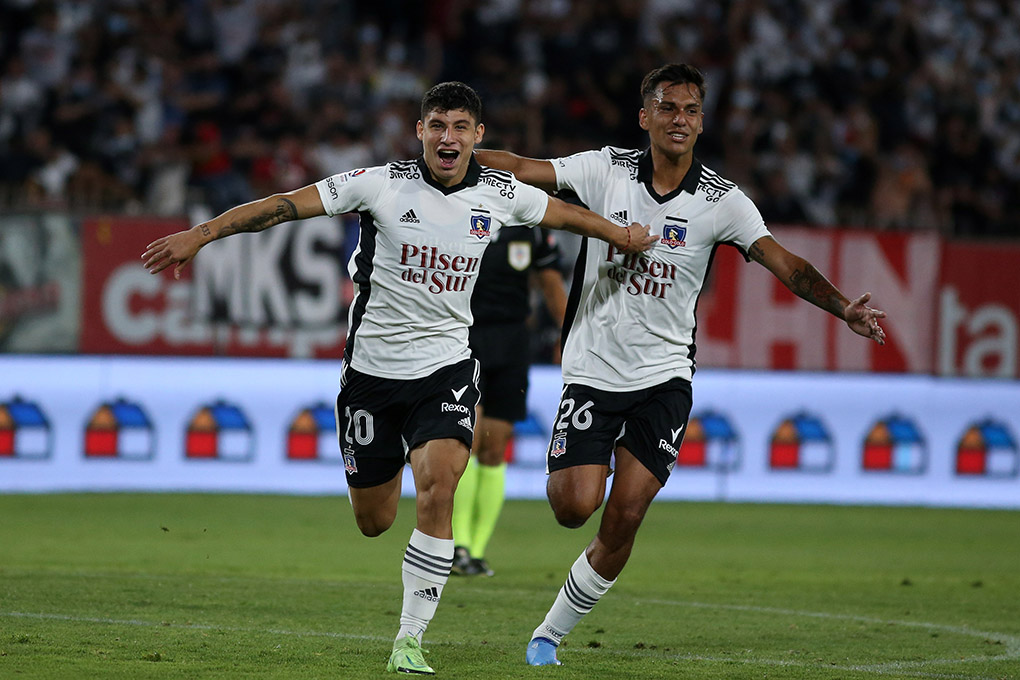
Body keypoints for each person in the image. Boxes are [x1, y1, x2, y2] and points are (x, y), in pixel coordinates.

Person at [141, 81, 656, 676]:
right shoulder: (379, 184)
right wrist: (201, 234)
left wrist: (621, 235)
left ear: (477, 136)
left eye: (459, 127)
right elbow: (283, 204)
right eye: (437, 125)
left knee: (440, 486)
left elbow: (564, 215)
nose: (448, 137)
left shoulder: (500, 193)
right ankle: (392, 531)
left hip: (446, 369)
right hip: (371, 376)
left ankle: (409, 639)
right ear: (420, 131)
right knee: (375, 520)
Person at [475, 63, 888, 666]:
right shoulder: (605, 170)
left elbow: (785, 264)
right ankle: (591, 466)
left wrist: (842, 307)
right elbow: (520, 167)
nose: (680, 120)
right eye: (668, 108)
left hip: (665, 377)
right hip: (593, 369)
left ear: (701, 121)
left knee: (626, 514)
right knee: (573, 506)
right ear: (645, 116)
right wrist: (454, 156)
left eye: (691, 110)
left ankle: (548, 635)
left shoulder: (721, 201)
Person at [451, 225, 567, 577]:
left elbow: (551, 284)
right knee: (467, 441)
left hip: (512, 345)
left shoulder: (531, 226)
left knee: (494, 448)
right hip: (463, 340)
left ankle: (476, 551)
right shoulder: (462, 211)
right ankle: (457, 545)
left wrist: (569, 336)